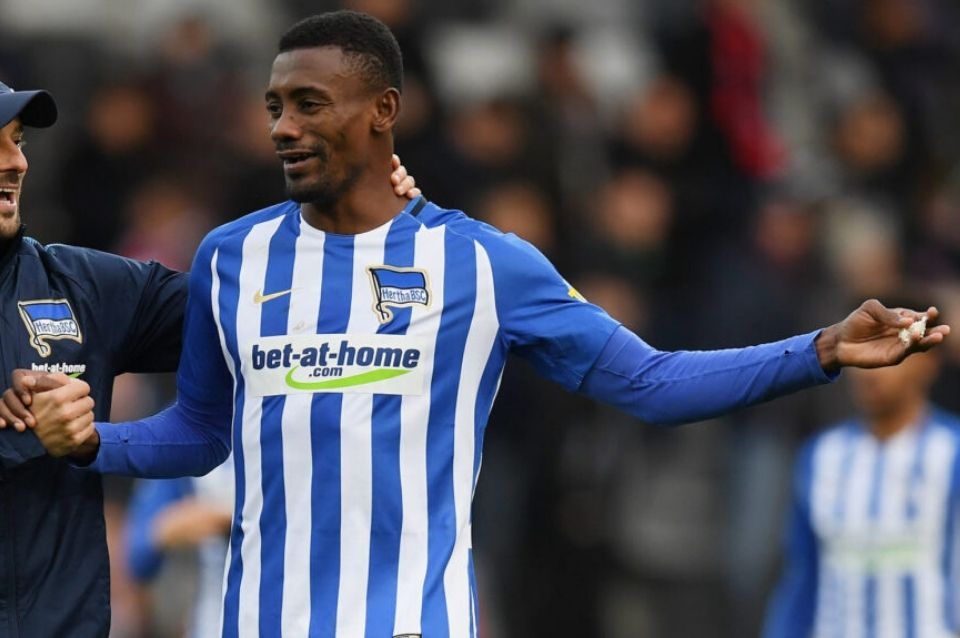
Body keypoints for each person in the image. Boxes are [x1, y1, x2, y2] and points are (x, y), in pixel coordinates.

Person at [16, 11, 950, 638]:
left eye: (309, 104)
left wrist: (818, 349)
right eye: (274, 107)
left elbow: (651, 383)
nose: (283, 127)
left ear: (384, 112)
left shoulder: (483, 264)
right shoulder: (232, 257)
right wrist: (93, 444)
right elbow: (200, 432)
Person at [0, 77, 420, 638]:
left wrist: (357, 213)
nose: (16, 162)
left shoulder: (80, 287)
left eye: (18, 140)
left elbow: (256, 303)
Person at [762, 297, 960, 638]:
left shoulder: (952, 452)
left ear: (929, 361)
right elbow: (801, 577)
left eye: (893, 345)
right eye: (863, 345)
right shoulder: (820, 456)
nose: (871, 368)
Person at [125, 456, 234, 638]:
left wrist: (229, 518)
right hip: (209, 620)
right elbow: (138, 551)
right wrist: (172, 525)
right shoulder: (193, 445)